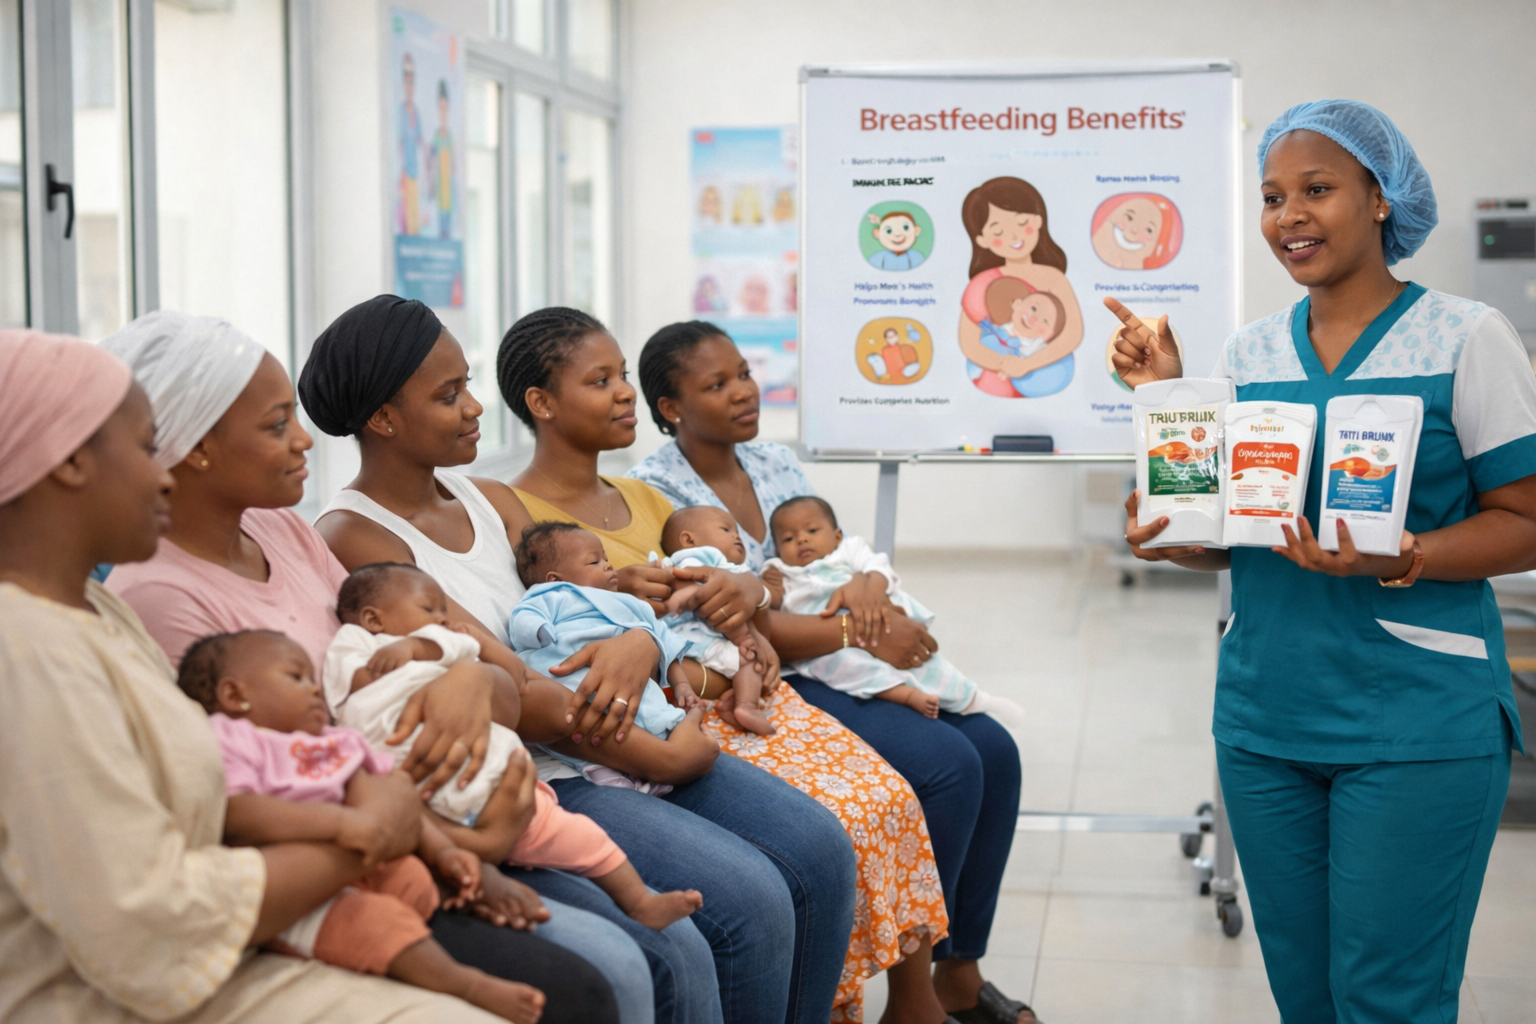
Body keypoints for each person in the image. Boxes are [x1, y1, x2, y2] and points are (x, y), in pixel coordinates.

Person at [299, 294, 844, 1024]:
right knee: (751, 902)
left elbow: (611, 592)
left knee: (822, 849)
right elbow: (515, 686)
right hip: (554, 766)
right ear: (384, 419)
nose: (474, 408)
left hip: (623, 718)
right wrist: (665, 756)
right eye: (449, 394)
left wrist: (641, 639)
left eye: (466, 384)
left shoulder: (491, 498)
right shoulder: (355, 535)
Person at [1113, 99, 1532, 1023]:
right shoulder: (1252, 353)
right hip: (1267, 722)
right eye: (1272, 197)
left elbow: (1527, 518)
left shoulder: (1467, 338)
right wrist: (1169, 518)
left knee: (1386, 999)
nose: (1289, 215)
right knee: (1305, 999)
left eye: (1317, 190)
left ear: (1381, 199)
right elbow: (1234, 533)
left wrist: (1406, 553)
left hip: (1418, 723)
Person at [97, 310, 640, 1024]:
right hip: (379, 864)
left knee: (650, 942)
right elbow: (259, 792)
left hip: (458, 802)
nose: (303, 442)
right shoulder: (158, 595)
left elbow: (493, 675)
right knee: (618, 970)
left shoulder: (281, 528)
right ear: (195, 448)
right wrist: (473, 843)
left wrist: (472, 682)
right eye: (274, 426)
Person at [0, 328, 520, 1024]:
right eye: (145, 448)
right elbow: (146, 916)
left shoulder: (88, 609)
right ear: (66, 462)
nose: (164, 472)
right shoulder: (30, 649)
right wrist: (378, 830)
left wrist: (462, 711)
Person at [499, 307, 953, 1024]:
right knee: (837, 829)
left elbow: (743, 584)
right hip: (672, 718)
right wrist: (674, 638)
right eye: (603, 379)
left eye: (624, 376)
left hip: (742, 690)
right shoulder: (516, 513)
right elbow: (554, 645)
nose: (626, 394)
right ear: (542, 404)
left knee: (886, 802)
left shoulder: (650, 498)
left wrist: (745, 598)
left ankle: (888, 997)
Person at [630, 320, 1037, 1024]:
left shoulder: (774, 462)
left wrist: (868, 589)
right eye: (716, 384)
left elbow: (824, 560)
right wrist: (858, 630)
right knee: (949, 767)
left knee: (996, 751)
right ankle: (908, 997)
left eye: (745, 374)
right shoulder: (659, 492)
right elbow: (740, 621)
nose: (744, 393)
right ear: (670, 407)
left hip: (828, 649)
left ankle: (958, 976)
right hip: (774, 673)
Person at [176, 630, 545, 1024]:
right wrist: (341, 824)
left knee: (415, 880)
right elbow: (239, 814)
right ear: (235, 696)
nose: (315, 690)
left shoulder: (337, 740)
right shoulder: (232, 739)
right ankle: (464, 985)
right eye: (295, 678)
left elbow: (398, 803)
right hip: (303, 893)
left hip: (370, 862)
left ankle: (415, 935)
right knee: (377, 924)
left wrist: (445, 852)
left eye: (313, 679)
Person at [325, 562, 705, 931]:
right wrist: (423, 647)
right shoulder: (356, 643)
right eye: (428, 610)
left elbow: (517, 675)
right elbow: (355, 685)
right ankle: (477, 880)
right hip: (427, 792)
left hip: (503, 784)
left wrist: (479, 644)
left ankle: (638, 900)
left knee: (584, 838)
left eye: (444, 612)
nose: (441, 620)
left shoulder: (454, 647)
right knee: (456, 860)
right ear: (375, 619)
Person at [765, 496, 1026, 728]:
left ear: (837, 535)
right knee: (853, 669)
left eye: (812, 530)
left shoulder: (848, 549)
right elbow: (767, 606)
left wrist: (872, 590)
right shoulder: (779, 569)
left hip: (875, 616)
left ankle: (976, 699)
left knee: (923, 661)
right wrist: (768, 587)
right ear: (778, 550)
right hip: (827, 644)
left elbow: (878, 567)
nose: (802, 539)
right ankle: (906, 694)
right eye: (788, 538)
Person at [657, 505, 775, 735]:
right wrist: (743, 638)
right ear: (688, 540)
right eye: (726, 529)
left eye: (738, 533)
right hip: (704, 637)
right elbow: (716, 605)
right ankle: (746, 706)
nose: (736, 536)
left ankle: (729, 704)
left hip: (674, 638)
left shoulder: (669, 563)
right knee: (749, 659)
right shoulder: (711, 559)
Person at [957, 177, 1082, 392]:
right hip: (994, 382)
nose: (1013, 235)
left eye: (1022, 222)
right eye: (998, 232)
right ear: (982, 240)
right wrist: (1006, 365)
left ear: (1038, 220)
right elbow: (969, 342)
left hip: (1048, 375)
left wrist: (1028, 365)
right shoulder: (982, 284)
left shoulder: (1053, 278)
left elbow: (1072, 332)